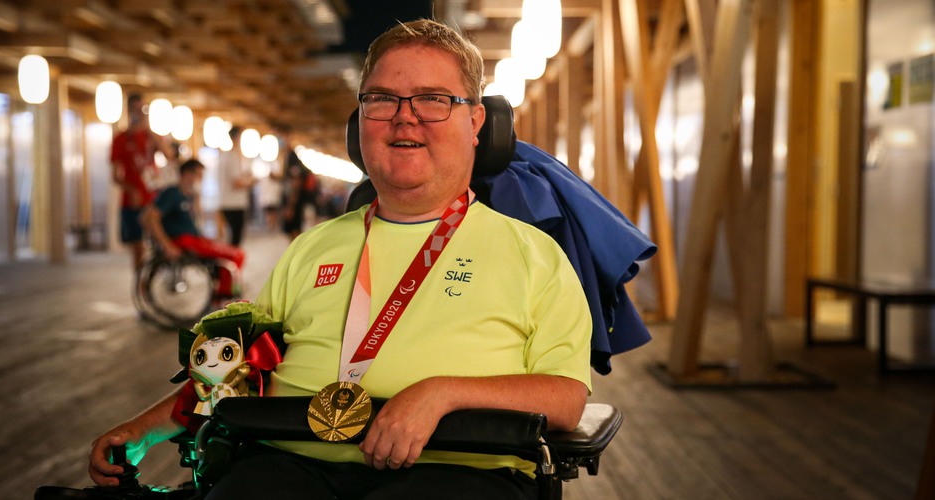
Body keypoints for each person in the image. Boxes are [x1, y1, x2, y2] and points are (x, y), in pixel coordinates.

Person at [89, 20, 592, 500]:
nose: (404, 116)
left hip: (457, 471)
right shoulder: (311, 247)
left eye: (433, 100)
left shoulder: (534, 255)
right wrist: (142, 430)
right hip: (288, 468)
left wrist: (442, 394)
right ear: (361, 123)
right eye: (382, 100)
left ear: (476, 121)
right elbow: (235, 371)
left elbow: (566, 398)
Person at [141, 159, 245, 298]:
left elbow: (198, 217)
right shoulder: (172, 193)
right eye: (199, 175)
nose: (200, 179)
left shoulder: (188, 195)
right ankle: (223, 293)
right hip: (183, 241)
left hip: (194, 239)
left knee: (233, 253)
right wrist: (167, 245)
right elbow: (149, 218)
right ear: (187, 174)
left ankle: (224, 288)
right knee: (236, 255)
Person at [111, 92, 173, 272]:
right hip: (132, 201)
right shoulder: (120, 139)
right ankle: (141, 283)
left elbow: (169, 156)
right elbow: (115, 175)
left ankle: (156, 276)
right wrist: (131, 190)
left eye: (142, 109)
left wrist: (151, 133)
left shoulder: (151, 136)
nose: (139, 113)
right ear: (128, 110)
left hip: (153, 199)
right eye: (135, 109)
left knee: (160, 241)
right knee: (137, 248)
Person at [217, 126, 254, 247]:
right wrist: (251, 181)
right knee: (235, 238)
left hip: (227, 202)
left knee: (233, 236)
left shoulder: (224, 156)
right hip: (234, 203)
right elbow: (236, 183)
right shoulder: (232, 156)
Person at [279, 145, 319, 239]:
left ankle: (295, 251)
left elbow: (295, 187)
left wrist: (290, 206)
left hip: (295, 204)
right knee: (295, 230)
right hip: (298, 203)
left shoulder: (293, 166)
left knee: (294, 230)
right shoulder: (298, 166)